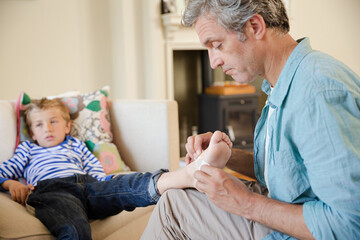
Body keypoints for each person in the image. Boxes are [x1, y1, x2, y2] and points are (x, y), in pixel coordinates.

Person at [141, 0, 360, 239]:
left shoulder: (316, 94)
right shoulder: (285, 82)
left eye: (217, 45)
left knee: (173, 210)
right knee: (177, 198)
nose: (214, 61)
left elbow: (349, 225)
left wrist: (244, 202)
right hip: (283, 206)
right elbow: (289, 173)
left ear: (255, 26)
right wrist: (227, 156)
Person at [0, 98, 232, 240]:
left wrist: (105, 184)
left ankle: (183, 175)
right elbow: (3, 172)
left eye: (53, 122)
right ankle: (188, 174)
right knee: (75, 229)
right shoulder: (28, 150)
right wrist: (11, 183)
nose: (47, 129)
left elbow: (94, 167)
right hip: (53, 191)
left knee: (127, 186)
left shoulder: (76, 145)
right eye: (39, 125)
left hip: (88, 185)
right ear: (32, 133)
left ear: (68, 126)